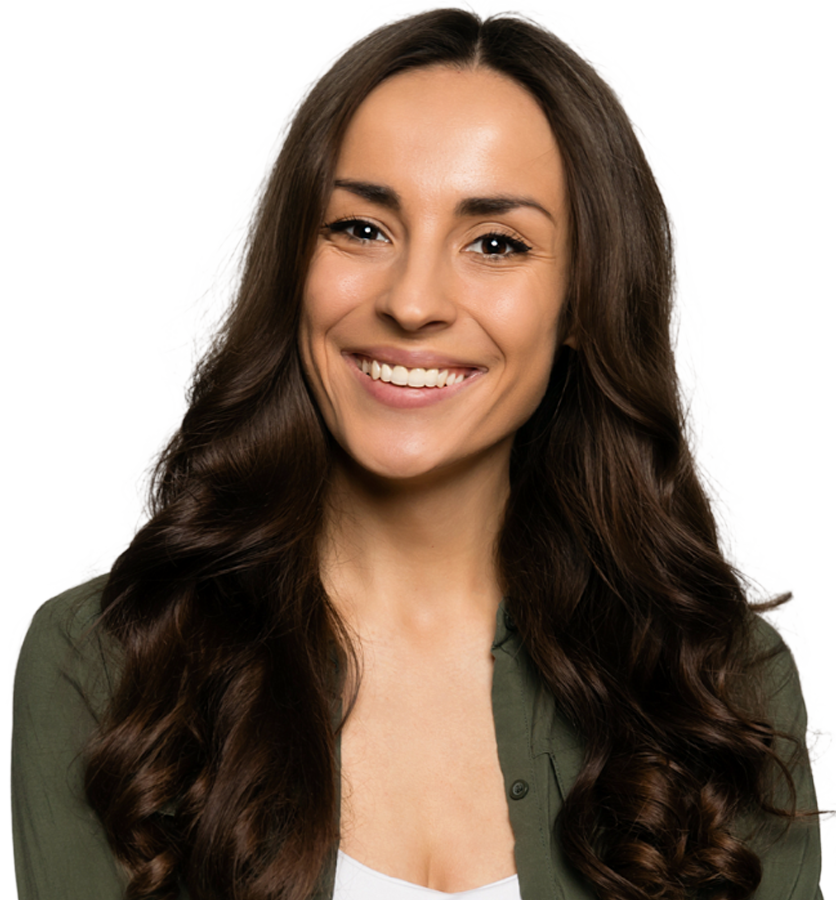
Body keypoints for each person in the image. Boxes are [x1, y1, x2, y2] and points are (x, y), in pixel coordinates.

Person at [11, 7, 823, 900]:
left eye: (495, 243)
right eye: (361, 228)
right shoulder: (111, 661)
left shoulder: (715, 683)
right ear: (293, 265)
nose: (413, 300)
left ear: (585, 303)